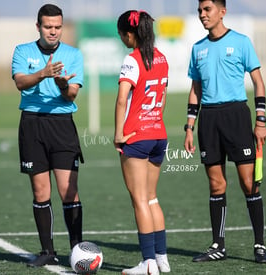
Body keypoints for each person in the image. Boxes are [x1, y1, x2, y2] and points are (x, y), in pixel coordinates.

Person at [184, 0, 266, 264]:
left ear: (222, 11)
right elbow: (195, 90)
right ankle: (218, 245)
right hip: (208, 120)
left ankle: (259, 244)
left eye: (207, 10)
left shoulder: (242, 42)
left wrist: (261, 121)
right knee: (216, 184)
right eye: (200, 10)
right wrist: (189, 127)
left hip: (236, 116)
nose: (202, 15)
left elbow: (258, 82)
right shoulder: (197, 48)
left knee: (248, 183)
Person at [11, 4, 84, 267]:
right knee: (41, 191)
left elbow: (72, 93)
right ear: (38, 26)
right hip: (32, 124)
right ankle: (47, 251)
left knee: (68, 191)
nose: (53, 31)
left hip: (62, 124)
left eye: (57, 27)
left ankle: (77, 250)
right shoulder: (23, 51)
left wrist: (63, 84)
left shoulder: (73, 54)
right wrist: (44, 74)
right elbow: (20, 82)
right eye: (48, 27)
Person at [114, 10, 171, 275]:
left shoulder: (132, 59)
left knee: (139, 200)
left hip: (137, 137)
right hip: (159, 133)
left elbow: (122, 99)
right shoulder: (161, 58)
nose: (122, 39)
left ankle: (148, 264)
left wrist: (119, 134)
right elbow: (163, 96)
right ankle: (161, 258)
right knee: (151, 198)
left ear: (129, 34)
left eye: (122, 34)